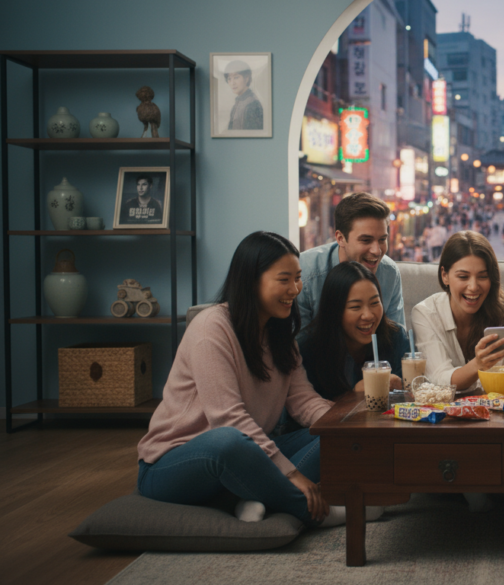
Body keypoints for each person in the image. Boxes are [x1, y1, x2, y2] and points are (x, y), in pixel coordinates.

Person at [136, 232, 383, 528]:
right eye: (284, 279)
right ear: (252, 280)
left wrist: (350, 424)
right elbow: (228, 419)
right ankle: (319, 512)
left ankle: (253, 495)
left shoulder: (279, 333)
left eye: (298, 278)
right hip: (174, 464)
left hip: (249, 455)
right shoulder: (211, 329)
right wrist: (293, 475)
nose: (295, 289)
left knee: (336, 436)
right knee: (229, 441)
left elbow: (304, 401)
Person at [411, 231, 504, 392]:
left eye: (482, 276)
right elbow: (439, 379)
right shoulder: (424, 313)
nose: (473, 287)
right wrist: (477, 365)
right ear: (444, 275)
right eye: (463, 277)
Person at [297, 193, 405, 341]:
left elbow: (396, 340)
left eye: (382, 240)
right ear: (341, 238)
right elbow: (295, 347)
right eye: (366, 240)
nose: (377, 250)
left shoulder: (389, 272)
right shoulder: (306, 272)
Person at [300, 261, 407, 399]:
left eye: (375, 303)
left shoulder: (396, 337)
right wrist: (354, 395)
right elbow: (306, 409)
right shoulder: (309, 350)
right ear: (335, 310)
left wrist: (401, 390)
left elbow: (413, 398)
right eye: (355, 307)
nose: (368, 315)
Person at [224, 60, 264, 130]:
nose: (232, 83)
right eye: (229, 79)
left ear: (246, 78)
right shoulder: (238, 102)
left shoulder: (252, 104)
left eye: (236, 77)